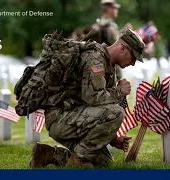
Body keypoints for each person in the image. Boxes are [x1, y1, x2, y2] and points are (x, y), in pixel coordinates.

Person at [29, 29, 146, 168]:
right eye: (133, 57)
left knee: (103, 162)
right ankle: (76, 160)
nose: (133, 63)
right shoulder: (95, 60)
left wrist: (114, 140)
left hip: (74, 117)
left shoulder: (108, 64)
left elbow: (99, 106)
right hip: (62, 118)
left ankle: (48, 154)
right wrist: (119, 91)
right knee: (116, 112)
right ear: (123, 48)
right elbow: (93, 98)